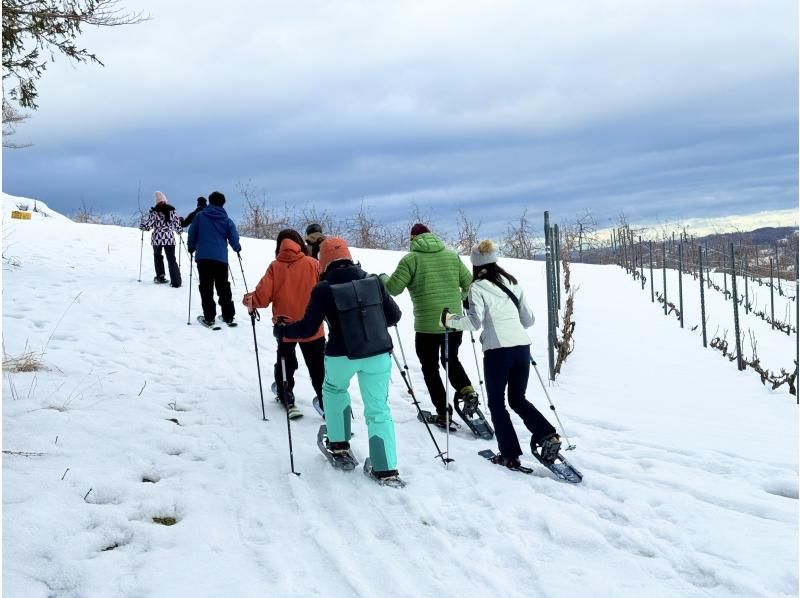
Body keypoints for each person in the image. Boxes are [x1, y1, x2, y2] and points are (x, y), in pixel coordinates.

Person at [276, 237, 403, 481]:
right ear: (349, 256)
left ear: (322, 262)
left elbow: (307, 329)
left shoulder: (323, 289)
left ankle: (339, 444)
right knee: (378, 409)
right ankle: (385, 468)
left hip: (341, 354)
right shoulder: (374, 280)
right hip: (377, 354)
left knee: (334, 390)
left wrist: (283, 330)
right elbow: (394, 316)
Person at [444, 240, 561, 468]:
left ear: (476, 265)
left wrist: (448, 320)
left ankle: (509, 454)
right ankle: (547, 435)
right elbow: (529, 319)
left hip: (498, 351)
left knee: (497, 403)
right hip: (522, 348)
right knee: (518, 398)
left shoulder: (476, 288)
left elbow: (474, 323)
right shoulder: (512, 283)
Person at [380, 223, 475, 428]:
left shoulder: (411, 260)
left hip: (427, 326)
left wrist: (381, 278)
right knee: (452, 359)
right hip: (453, 321)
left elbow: (393, 289)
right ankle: (467, 390)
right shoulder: (451, 256)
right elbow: (469, 283)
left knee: (430, 368)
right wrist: (461, 298)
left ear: (413, 239)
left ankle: (443, 413)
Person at [242, 229, 325, 414]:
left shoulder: (275, 266)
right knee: (317, 366)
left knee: (285, 362)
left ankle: (285, 394)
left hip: (285, 326)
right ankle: (325, 401)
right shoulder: (313, 264)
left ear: (279, 245)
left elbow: (262, 297)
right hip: (313, 324)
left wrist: (250, 300)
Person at [187, 191, 241, 326]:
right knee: (223, 287)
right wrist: (237, 248)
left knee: (206, 287)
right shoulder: (226, 219)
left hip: (203, 258)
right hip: (221, 259)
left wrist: (191, 246)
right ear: (223, 203)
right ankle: (228, 316)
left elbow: (192, 232)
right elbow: (233, 236)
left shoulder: (200, 216)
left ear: (210, 202)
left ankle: (209, 317)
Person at [140, 191, 182, 288]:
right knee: (171, 259)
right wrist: (179, 231)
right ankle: (176, 281)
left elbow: (148, 225)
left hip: (157, 238)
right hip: (169, 238)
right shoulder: (172, 212)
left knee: (158, 257)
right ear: (165, 201)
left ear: (157, 202)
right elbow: (177, 225)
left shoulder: (154, 213)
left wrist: (143, 227)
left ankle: (160, 276)